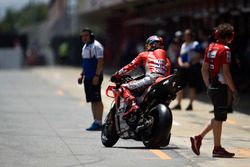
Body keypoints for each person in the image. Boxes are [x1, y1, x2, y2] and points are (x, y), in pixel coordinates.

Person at [190, 23, 240, 158]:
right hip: (221, 87)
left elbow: (204, 69)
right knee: (219, 117)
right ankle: (215, 147)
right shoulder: (225, 50)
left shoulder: (210, 47)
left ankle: (200, 139)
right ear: (230, 36)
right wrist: (234, 90)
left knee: (219, 117)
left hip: (212, 85)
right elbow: (226, 73)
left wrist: (208, 86)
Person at [111, 35, 171, 119]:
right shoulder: (167, 59)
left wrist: (117, 74)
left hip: (151, 78)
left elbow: (130, 67)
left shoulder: (144, 54)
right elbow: (167, 73)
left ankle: (133, 106)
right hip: (163, 81)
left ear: (150, 44)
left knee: (123, 87)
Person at [78, 28, 104, 131]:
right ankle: (96, 121)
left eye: (86, 35)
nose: (84, 37)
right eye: (82, 36)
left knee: (97, 99)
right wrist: (82, 75)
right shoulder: (85, 47)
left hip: (95, 77)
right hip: (88, 77)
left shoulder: (97, 46)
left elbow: (100, 62)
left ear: (91, 36)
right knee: (92, 100)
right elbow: (85, 63)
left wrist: (97, 76)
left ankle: (100, 122)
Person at [172, 29, 202, 111]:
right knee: (180, 86)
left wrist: (190, 63)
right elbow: (180, 56)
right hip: (183, 68)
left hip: (192, 68)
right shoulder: (183, 45)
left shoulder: (195, 44)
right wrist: (181, 63)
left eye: (187, 35)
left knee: (192, 86)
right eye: (184, 35)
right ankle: (178, 104)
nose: (185, 36)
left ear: (191, 36)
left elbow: (199, 56)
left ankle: (190, 104)